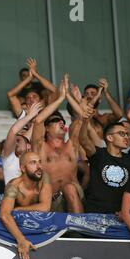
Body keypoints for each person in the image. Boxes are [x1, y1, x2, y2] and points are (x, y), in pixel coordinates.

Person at [32, 75, 86, 213]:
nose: (61, 122)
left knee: (70, 188)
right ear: (47, 128)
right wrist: (60, 98)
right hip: (49, 199)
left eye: (63, 121)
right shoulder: (41, 147)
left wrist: (67, 95)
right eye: (56, 121)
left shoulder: (71, 145)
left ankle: (78, 231)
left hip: (73, 196)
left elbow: (81, 117)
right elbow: (38, 121)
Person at [0, 152, 52, 259]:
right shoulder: (13, 186)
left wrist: (19, 209)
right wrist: (21, 240)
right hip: (21, 225)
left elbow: (45, 207)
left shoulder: (44, 178)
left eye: (39, 162)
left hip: (40, 221)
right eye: (33, 163)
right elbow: (4, 215)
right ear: (23, 168)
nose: (39, 166)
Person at [80, 120, 130, 214]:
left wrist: (126, 212)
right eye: (122, 134)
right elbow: (83, 140)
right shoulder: (98, 154)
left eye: (127, 134)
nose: (126, 138)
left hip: (120, 215)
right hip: (95, 212)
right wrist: (85, 121)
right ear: (110, 137)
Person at [2, 102, 41, 184]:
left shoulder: (35, 158)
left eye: (18, 141)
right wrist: (29, 115)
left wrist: (35, 118)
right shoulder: (9, 157)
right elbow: (13, 131)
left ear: (28, 146)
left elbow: (35, 126)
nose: (14, 143)